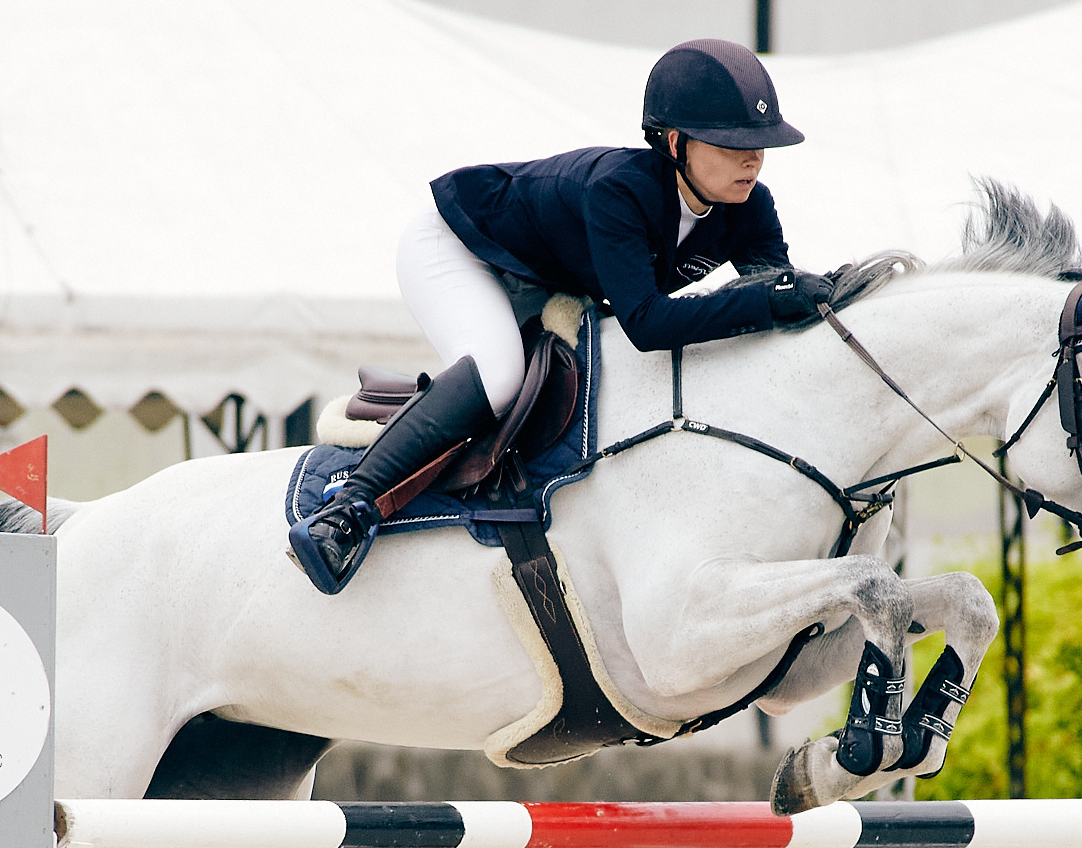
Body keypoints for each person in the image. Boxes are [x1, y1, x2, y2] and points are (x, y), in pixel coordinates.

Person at [288, 38, 836, 594]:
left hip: (541, 277)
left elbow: (773, 297)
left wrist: (815, 298)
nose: (753, 159)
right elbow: (648, 324)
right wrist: (772, 298)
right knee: (499, 376)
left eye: (761, 146)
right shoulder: (620, 190)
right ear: (674, 143)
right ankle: (348, 511)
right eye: (731, 144)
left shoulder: (751, 207)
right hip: (457, 248)